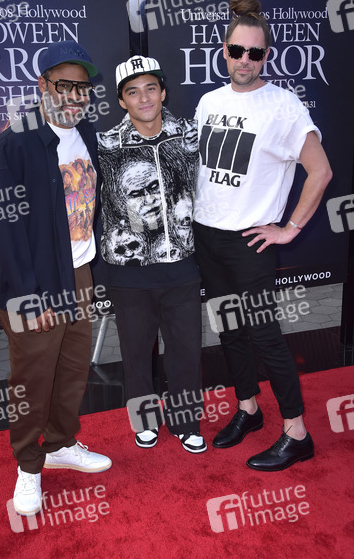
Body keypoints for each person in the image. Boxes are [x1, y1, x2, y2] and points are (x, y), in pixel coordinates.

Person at [193, 0, 332, 471]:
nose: (245, 60)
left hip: (250, 242)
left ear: (266, 56)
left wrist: (289, 228)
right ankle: (248, 408)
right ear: (224, 52)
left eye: (255, 53)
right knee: (228, 329)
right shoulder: (208, 101)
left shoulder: (284, 106)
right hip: (207, 236)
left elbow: (321, 172)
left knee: (265, 335)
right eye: (237, 50)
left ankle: (297, 433)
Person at [0, 40, 112, 516]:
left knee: (73, 370)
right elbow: (3, 232)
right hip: (36, 285)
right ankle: (28, 466)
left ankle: (60, 444)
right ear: (43, 85)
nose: (76, 96)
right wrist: (28, 297)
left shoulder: (87, 134)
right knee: (33, 379)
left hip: (78, 273)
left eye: (83, 87)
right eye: (65, 86)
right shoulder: (13, 143)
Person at [97, 56, 207, 453]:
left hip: (181, 265)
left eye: (150, 89)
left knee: (186, 351)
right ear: (121, 100)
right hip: (129, 272)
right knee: (136, 352)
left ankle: (186, 421)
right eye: (133, 92)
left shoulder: (189, 135)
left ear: (163, 92)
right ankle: (144, 421)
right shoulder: (105, 145)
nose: (143, 98)